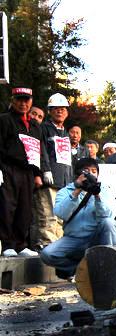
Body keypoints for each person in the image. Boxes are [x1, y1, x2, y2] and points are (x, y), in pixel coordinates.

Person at [40, 158, 116, 280]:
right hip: (74, 239)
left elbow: (108, 216)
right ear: (78, 174)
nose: (90, 174)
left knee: (109, 223)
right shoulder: (65, 191)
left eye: (93, 171)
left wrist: (97, 195)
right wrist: (77, 191)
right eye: (86, 171)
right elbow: (61, 213)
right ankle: (81, 269)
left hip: (96, 238)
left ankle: (107, 266)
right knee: (47, 254)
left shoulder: (105, 191)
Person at [0, 87, 43, 256]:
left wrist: (38, 173)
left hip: (28, 172)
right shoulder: (4, 120)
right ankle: (8, 244)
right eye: (19, 99)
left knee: (25, 208)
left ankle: (21, 244)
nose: (23, 103)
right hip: (8, 168)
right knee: (7, 206)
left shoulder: (34, 126)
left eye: (26, 100)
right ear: (12, 100)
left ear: (31, 102)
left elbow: (38, 151)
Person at [33, 93, 72, 252]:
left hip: (64, 180)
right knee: (47, 215)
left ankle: (58, 246)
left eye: (63, 109)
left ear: (67, 112)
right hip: (49, 179)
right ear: (49, 111)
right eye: (56, 109)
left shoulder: (65, 132)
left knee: (60, 218)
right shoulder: (43, 128)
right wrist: (45, 170)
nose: (60, 112)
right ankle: (47, 246)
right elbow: (41, 150)